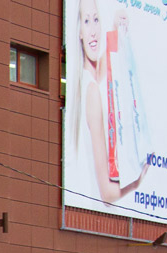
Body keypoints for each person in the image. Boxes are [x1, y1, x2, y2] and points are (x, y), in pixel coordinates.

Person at [65, 0, 148, 205]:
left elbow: (106, 65)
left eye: (96, 20)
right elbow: (107, 194)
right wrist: (138, 181)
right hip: (96, 213)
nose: (93, 31)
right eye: (86, 21)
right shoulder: (91, 91)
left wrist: (116, 27)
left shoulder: (89, 80)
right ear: (79, 31)